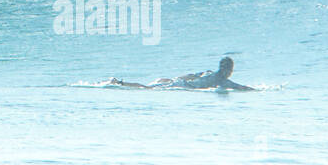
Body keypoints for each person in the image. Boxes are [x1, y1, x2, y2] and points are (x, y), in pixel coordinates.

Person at [106, 56, 254, 91]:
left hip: (180, 81)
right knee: (147, 88)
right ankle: (119, 83)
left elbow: (192, 74)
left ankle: (119, 82)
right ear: (228, 69)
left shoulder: (210, 72)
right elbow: (240, 87)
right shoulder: (222, 80)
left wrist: (176, 79)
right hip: (181, 85)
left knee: (154, 84)